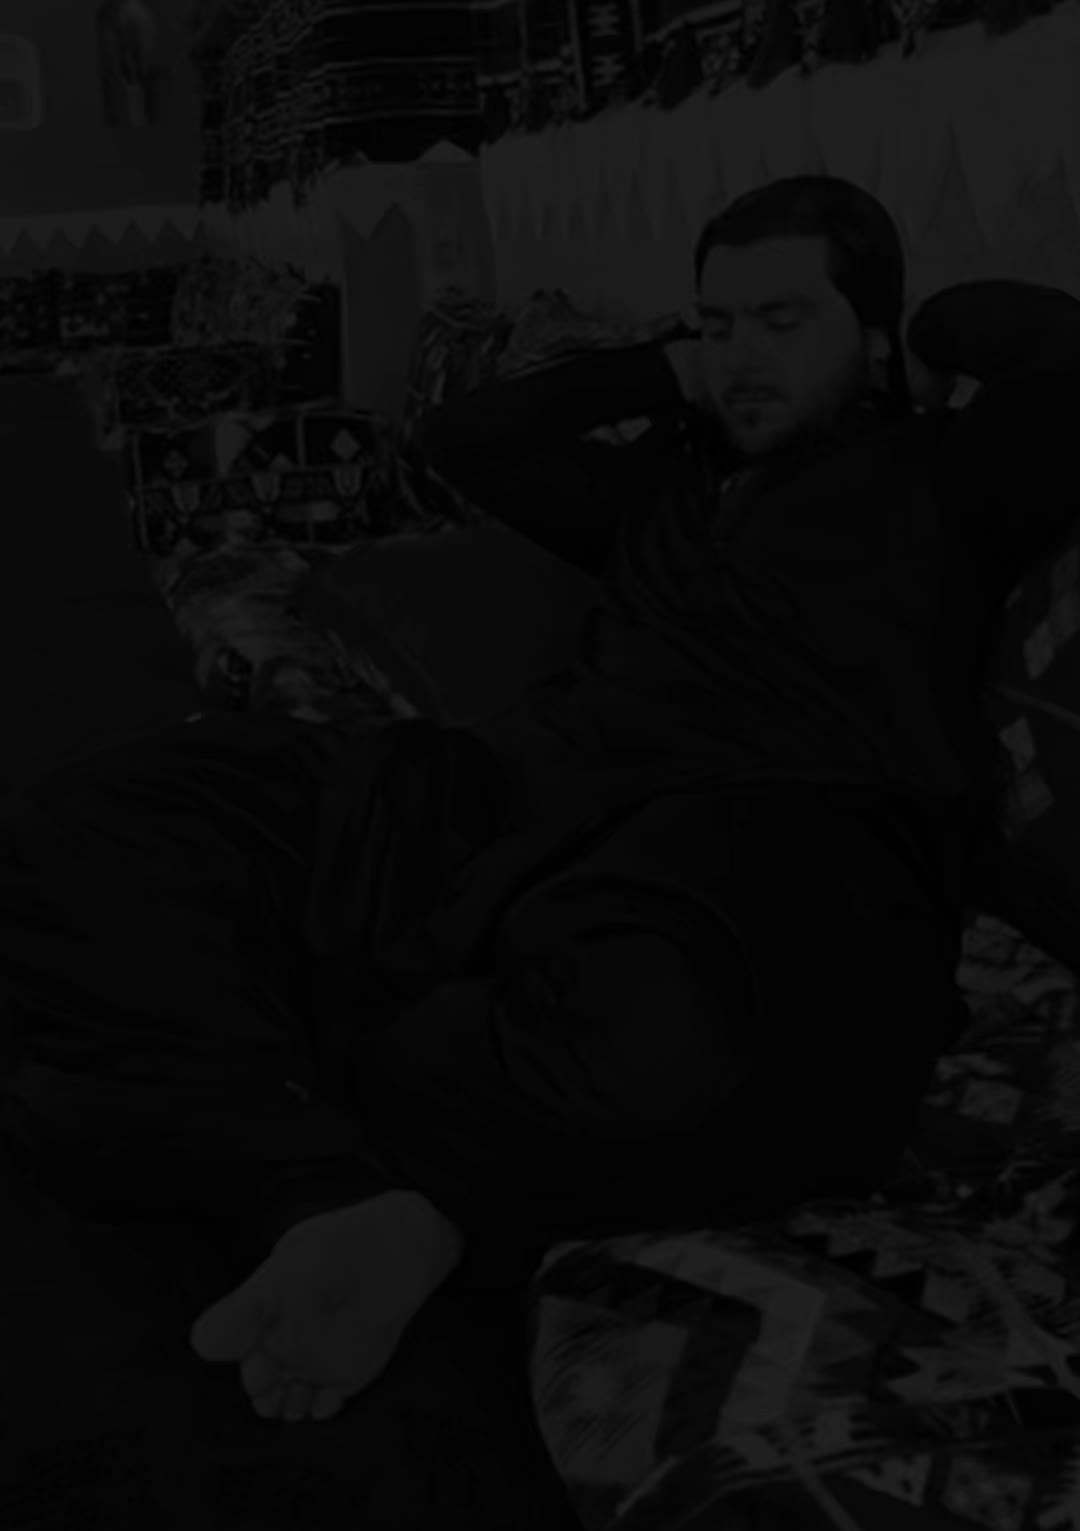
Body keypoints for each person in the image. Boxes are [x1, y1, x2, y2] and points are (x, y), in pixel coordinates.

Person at [3, 175, 1080, 1428]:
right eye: (717, 323)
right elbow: (465, 440)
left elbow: (1060, 362)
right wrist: (659, 373)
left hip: (762, 841)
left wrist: (938, 332)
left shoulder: (944, 475)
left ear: (874, 336)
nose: (739, 355)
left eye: (782, 320)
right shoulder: (663, 487)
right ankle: (329, 1177)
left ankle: (259, 1120)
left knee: (696, 1046)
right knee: (89, 822)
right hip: (504, 796)